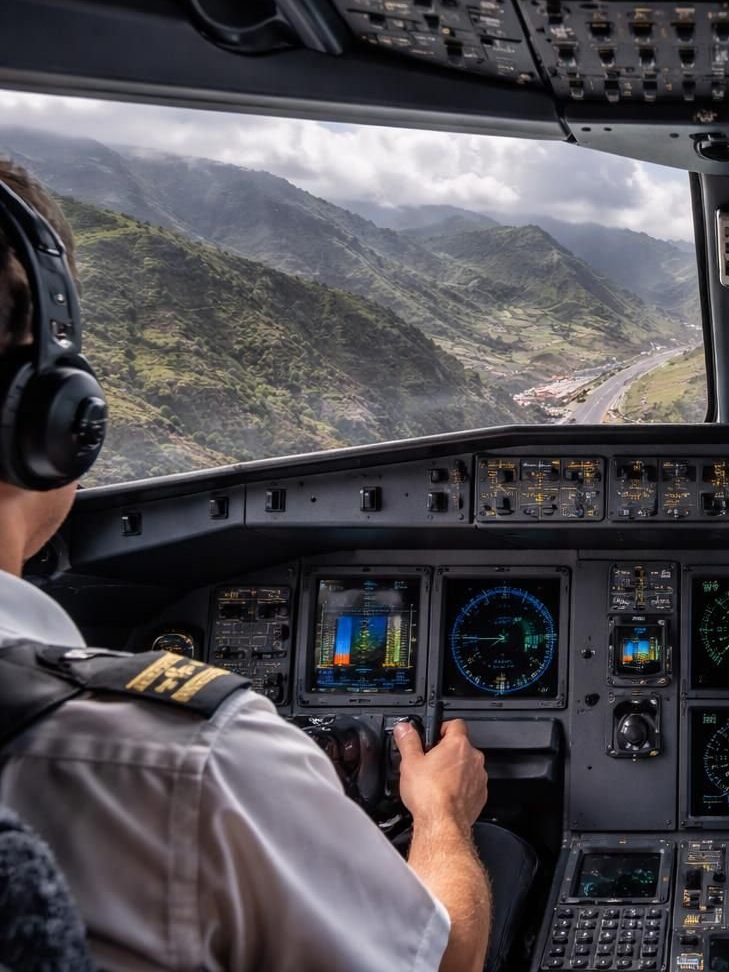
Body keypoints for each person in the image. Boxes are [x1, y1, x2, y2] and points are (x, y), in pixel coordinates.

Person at [0, 157, 498, 971]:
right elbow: (447, 959)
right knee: (499, 860)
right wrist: (443, 815)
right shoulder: (190, 761)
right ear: (53, 416)